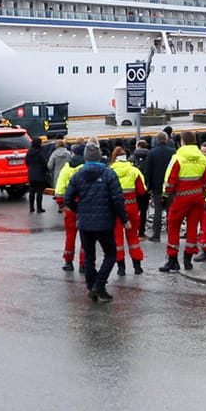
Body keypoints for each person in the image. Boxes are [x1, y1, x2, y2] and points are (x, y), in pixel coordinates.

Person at [63, 144, 126, 302]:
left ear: (85, 157)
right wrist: (124, 219)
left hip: (85, 223)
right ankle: (99, 285)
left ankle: (92, 287)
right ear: (99, 156)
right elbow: (117, 198)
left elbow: (67, 199)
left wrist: (79, 210)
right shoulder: (108, 174)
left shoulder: (77, 175)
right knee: (111, 254)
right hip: (105, 222)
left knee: (89, 257)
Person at [160, 131, 206, 272]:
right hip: (198, 197)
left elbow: (170, 179)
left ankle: (172, 260)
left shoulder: (178, 158)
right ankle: (188, 260)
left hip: (181, 197)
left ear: (182, 142)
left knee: (173, 226)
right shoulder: (202, 158)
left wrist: (165, 195)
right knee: (192, 228)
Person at [108, 146, 147, 276]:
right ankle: (137, 266)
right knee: (133, 237)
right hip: (131, 207)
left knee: (117, 239)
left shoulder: (110, 171)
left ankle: (121, 268)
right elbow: (142, 191)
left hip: (115, 209)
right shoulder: (134, 171)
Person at [51, 149, 84, 271]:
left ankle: (68, 262)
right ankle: (83, 263)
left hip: (69, 206)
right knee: (85, 236)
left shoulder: (66, 169)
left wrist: (61, 203)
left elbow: (59, 188)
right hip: (83, 206)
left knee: (70, 235)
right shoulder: (85, 168)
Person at [143, 128, 177, 241]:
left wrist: (148, 186)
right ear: (167, 139)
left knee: (158, 210)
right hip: (170, 185)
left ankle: (156, 235)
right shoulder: (173, 152)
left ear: (156, 140)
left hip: (157, 186)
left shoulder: (152, 153)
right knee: (170, 209)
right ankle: (171, 233)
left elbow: (148, 171)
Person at [25, 137, 49, 213]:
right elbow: (44, 162)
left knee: (32, 191)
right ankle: (39, 208)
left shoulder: (29, 151)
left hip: (31, 173)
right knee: (39, 192)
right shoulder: (40, 152)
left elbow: (27, 162)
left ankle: (31, 207)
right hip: (40, 174)